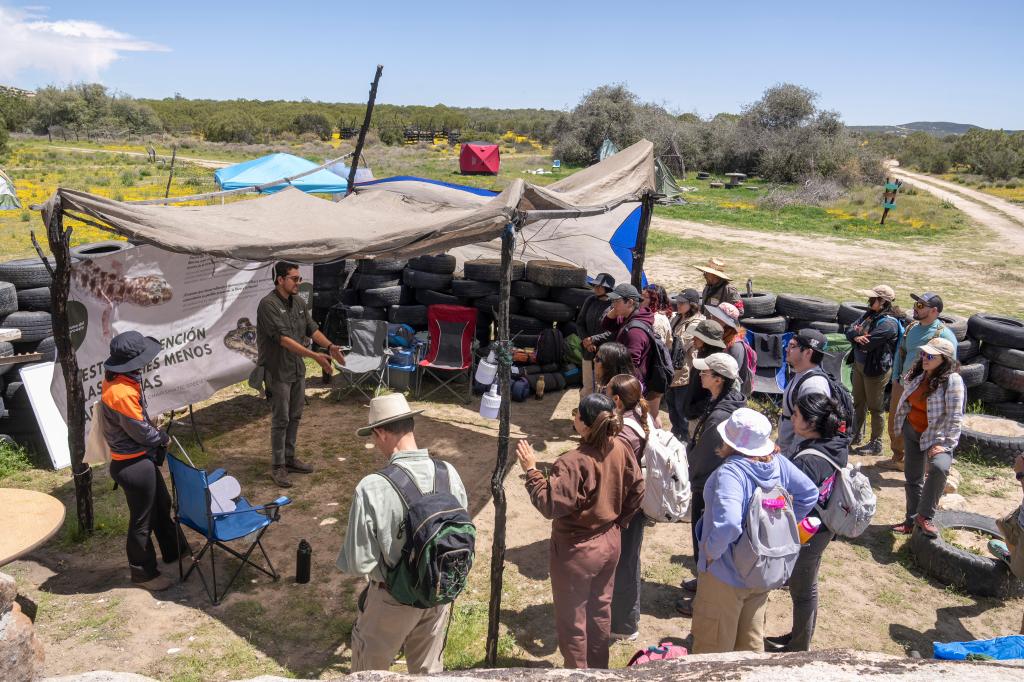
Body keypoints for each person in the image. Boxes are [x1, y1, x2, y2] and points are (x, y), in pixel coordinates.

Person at [337, 393, 469, 674]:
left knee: (368, 672)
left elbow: (358, 563)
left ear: (381, 431)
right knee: (428, 672)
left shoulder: (371, 487)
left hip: (391, 600)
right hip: (438, 590)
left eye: (373, 436)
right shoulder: (449, 473)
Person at [516, 393, 644, 669]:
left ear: (583, 423)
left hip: (578, 550)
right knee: (599, 610)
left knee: (572, 619)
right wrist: (620, 521)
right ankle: (599, 671)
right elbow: (638, 488)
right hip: (610, 541)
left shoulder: (573, 462)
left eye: (576, 413)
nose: (573, 416)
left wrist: (531, 471)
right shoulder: (621, 448)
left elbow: (550, 504)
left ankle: (578, 674)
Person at [689, 408, 818, 654]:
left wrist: (710, 551)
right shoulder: (777, 462)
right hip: (762, 567)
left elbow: (728, 523)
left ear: (729, 440)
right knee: (749, 646)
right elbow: (809, 493)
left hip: (725, 574)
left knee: (712, 650)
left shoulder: (731, 472)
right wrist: (784, 526)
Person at [101, 331, 189, 591]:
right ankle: (143, 573)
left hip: (137, 461)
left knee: (161, 505)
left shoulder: (122, 381)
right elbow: (139, 430)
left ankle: (175, 550)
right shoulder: (120, 392)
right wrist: (161, 437)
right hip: (133, 464)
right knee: (143, 520)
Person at [765, 393, 850, 652]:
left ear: (812, 422)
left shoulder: (810, 460)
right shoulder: (835, 443)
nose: (792, 418)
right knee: (806, 585)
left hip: (809, 531)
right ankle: (798, 637)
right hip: (823, 525)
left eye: (797, 415)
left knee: (803, 590)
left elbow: (792, 499)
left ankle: (799, 647)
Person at [256, 261, 346, 488]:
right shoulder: (267, 305)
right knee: (281, 418)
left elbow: (312, 329)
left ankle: (289, 458)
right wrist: (314, 356)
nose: (299, 283)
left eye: (299, 278)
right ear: (280, 280)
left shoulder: (297, 302)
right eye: (294, 278)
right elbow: (284, 340)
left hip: (296, 370)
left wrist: (330, 346)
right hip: (278, 371)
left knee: (295, 415)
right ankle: (278, 466)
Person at [676, 352, 746, 617]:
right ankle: (702, 582)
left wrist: (687, 477)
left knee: (704, 542)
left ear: (718, 379)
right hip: (714, 482)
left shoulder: (719, 418)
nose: (700, 375)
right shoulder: (727, 403)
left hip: (708, 486)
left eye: (705, 372)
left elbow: (705, 458)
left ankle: (704, 600)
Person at [891, 337, 965, 537]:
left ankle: (925, 516)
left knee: (940, 468)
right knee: (913, 478)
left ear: (945, 359)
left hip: (936, 437)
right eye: (923, 353)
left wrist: (946, 444)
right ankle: (911, 521)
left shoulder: (953, 380)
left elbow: (955, 416)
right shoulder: (918, 373)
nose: (924, 357)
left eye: (930, 355)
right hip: (912, 431)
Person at [881, 291, 958, 471]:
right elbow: (901, 353)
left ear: (934, 311)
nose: (916, 308)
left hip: (926, 388)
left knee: (920, 427)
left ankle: (921, 467)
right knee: (895, 424)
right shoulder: (911, 328)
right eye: (916, 304)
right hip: (903, 385)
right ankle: (898, 458)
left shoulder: (944, 335)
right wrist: (896, 379)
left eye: (921, 305)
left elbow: (950, 367)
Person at [605, 374, 652, 642]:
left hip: (627, 508)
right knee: (628, 561)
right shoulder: (639, 418)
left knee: (623, 564)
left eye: (607, 390)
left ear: (617, 399)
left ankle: (623, 625)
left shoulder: (624, 432)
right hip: (635, 506)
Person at [846, 285, 902, 455]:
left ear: (883, 302)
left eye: (872, 299)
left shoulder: (889, 324)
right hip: (859, 365)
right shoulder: (869, 314)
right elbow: (848, 330)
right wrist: (855, 335)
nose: (869, 301)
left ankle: (876, 443)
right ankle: (855, 435)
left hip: (876, 370)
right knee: (858, 402)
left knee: (876, 408)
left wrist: (855, 335)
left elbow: (869, 343)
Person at [602, 283, 665, 426]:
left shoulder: (634, 331)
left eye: (616, 301)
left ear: (630, 302)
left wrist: (618, 388)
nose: (613, 305)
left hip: (632, 386)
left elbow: (631, 365)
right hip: (633, 382)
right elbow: (606, 325)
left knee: (635, 421)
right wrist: (616, 309)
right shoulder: (628, 318)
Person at [778, 330, 833, 456]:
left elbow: (808, 430)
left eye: (792, 346)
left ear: (808, 352)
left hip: (794, 457)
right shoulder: (801, 373)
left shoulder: (813, 385)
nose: (787, 349)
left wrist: (791, 457)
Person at [677, 319, 728, 439]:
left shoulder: (713, 363)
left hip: (700, 417)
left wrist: (694, 411)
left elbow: (710, 394)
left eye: (697, 336)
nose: (693, 338)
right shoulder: (702, 354)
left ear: (706, 341)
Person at [665, 289, 705, 441]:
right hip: (671, 370)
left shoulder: (697, 322)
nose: (678, 305)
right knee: (672, 407)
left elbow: (681, 343)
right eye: (678, 302)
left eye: (682, 303)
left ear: (692, 305)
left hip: (684, 373)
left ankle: (686, 441)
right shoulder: (677, 318)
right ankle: (677, 435)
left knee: (682, 409)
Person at [991, 454, 1024, 634]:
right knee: (1002, 524)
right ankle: (1013, 557)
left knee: (1019, 573)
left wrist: (1021, 474)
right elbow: (1018, 463)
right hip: (1020, 520)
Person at [578, 273, 615, 397]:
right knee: (587, 386)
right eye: (595, 285)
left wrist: (593, 339)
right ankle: (584, 413)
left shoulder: (614, 305)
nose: (597, 288)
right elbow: (580, 323)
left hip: (605, 352)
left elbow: (613, 331)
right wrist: (586, 341)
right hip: (588, 350)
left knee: (602, 387)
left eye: (600, 286)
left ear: (608, 288)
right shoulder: (590, 300)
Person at [706, 303, 752, 397]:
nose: (712, 318)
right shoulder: (720, 337)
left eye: (716, 317)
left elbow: (731, 375)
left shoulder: (735, 345)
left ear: (726, 323)